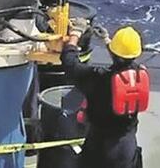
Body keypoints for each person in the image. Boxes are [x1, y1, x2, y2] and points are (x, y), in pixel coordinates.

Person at [61, 25, 149, 168]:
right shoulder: (140, 74)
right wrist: (107, 40)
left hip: (99, 148)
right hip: (127, 149)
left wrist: (74, 36)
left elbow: (70, 64)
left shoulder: (98, 78)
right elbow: (123, 61)